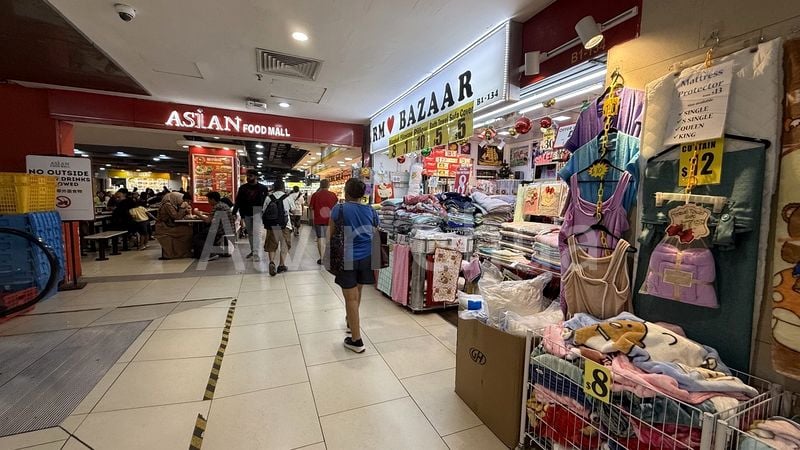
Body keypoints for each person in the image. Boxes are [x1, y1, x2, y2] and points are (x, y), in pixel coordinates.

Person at [329, 178, 379, 353]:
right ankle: (351, 322)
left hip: (347, 257)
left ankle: (356, 340)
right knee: (357, 294)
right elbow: (374, 232)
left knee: (350, 298)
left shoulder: (339, 209)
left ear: (346, 191)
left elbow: (331, 235)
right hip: (366, 257)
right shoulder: (371, 211)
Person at [233, 170, 268, 260]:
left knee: (256, 233)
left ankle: (256, 253)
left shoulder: (263, 188)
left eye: (250, 176)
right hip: (246, 212)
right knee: (250, 234)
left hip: (258, 211)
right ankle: (253, 251)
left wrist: (265, 213)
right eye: (247, 176)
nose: (248, 178)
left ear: (256, 177)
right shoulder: (243, 188)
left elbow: (266, 202)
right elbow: (238, 201)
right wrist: (234, 212)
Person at [262, 179, 293, 276]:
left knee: (271, 245)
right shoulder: (288, 197)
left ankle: (272, 262)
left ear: (274, 187)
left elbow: (263, 210)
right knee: (284, 245)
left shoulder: (269, 198)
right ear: (283, 187)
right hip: (285, 225)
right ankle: (281, 265)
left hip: (272, 226)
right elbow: (293, 209)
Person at [193, 191, 235, 261]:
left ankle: (209, 254)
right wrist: (204, 213)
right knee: (204, 232)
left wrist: (197, 214)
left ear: (212, 199)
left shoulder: (217, 206)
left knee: (198, 237)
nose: (208, 202)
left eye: (208, 200)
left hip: (220, 230)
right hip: (227, 229)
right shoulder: (223, 205)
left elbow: (208, 221)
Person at [154, 192, 193, 259]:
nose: (182, 201)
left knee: (187, 229)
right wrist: (182, 208)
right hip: (164, 227)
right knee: (187, 231)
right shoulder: (167, 205)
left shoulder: (172, 204)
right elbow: (177, 217)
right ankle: (181, 253)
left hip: (168, 225)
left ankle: (181, 252)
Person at [309, 179, 339, 265]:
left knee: (320, 238)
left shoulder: (315, 195)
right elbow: (336, 208)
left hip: (318, 220)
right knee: (329, 239)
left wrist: (312, 219)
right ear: (329, 185)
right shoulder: (333, 195)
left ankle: (322, 258)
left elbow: (311, 208)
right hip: (331, 220)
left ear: (320, 185)